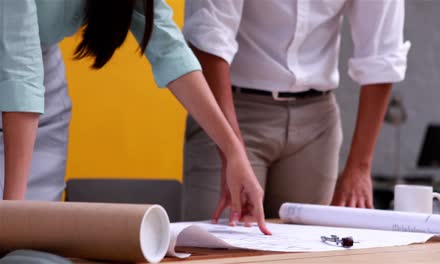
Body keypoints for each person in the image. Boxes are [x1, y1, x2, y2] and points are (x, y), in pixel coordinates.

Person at [0, 0, 269, 234]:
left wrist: (233, 152)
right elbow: (19, 69)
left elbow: (169, 48)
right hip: (17, 78)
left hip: (43, 87)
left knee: (34, 240)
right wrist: (13, 219)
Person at [182, 0, 411, 220]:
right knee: (218, 246)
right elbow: (209, 37)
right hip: (232, 109)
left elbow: (381, 56)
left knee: (307, 251)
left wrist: (360, 167)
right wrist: (232, 151)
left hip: (316, 123)